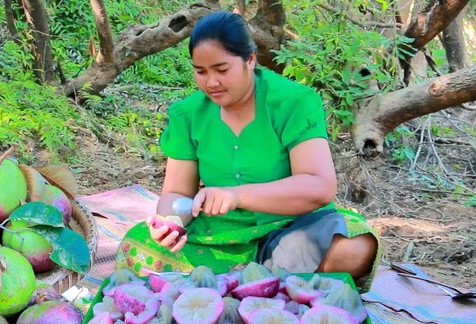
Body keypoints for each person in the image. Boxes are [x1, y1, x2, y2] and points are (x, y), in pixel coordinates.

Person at [115, 11, 380, 287]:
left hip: (291, 227)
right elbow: (176, 193)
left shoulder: (294, 102)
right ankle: (269, 285)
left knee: (355, 246)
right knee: (139, 246)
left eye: (222, 69)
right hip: (219, 234)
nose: (211, 82)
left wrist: (237, 195)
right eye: (200, 72)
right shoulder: (187, 114)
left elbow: (320, 187)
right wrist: (171, 223)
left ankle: (235, 285)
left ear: (250, 59)